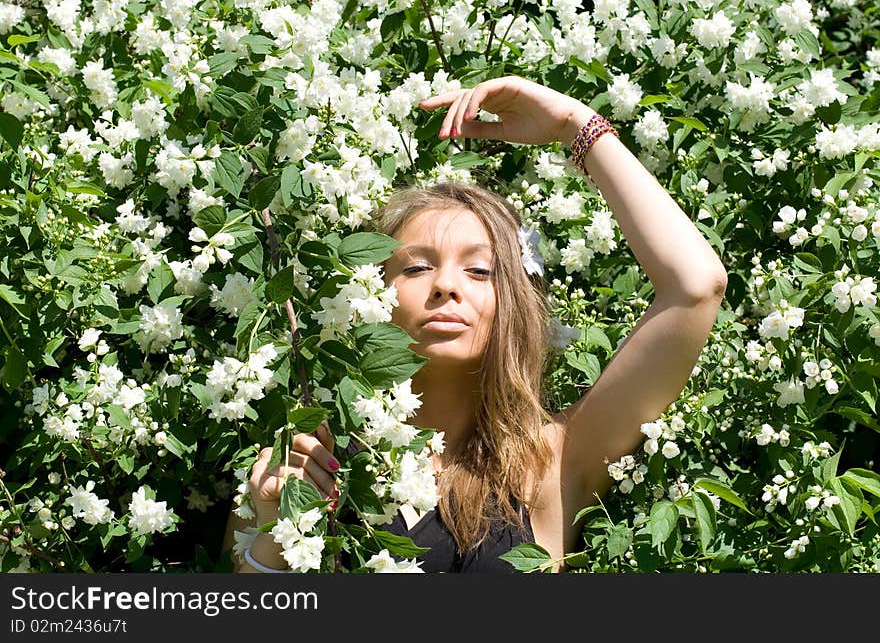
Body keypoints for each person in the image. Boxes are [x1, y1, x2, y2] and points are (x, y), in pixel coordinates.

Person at [225, 75, 728, 573]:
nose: (446, 285)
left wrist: (575, 124)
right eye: (416, 267)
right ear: (369, 296)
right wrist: (276, 536)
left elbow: (696, 285)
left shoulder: (553, 462)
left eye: (480, 270)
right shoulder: (308, 460)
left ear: (514, 300)